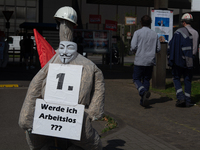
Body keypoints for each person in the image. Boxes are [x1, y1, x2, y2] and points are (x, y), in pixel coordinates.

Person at [18, 6, 105, 150]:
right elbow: (99, 83)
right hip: (72, 119)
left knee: (38, 139)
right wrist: (94, 111)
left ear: (57, 25)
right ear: (75, 27)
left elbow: (35, 86)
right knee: (93, 144)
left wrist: (26, 117)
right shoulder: (88, 65)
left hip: (51, 118)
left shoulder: (52, 61)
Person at [167, 13, 199, 107]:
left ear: (183, 22)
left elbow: (174, 45)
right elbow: (195, 49)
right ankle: (188, 100)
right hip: (191, 59)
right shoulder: (195, 32)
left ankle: (181, 97)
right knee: (188, 79)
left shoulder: (179, 32)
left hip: (179, 59)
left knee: (176, 77)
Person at [130, 15, 161, 107]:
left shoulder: (137, 33)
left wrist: (136, 50)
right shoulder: (155, 34)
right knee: (146, 79)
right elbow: (158, 48)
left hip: (140, 60)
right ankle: (143, 100)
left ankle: (143, 92)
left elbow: (133, 46)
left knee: (136, 78)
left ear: (141, 22)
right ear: (150, 23)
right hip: (150, 60)